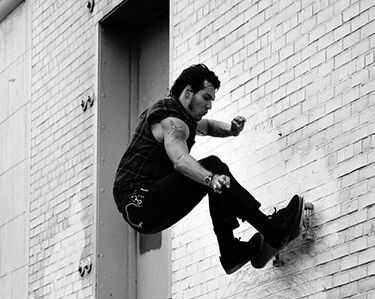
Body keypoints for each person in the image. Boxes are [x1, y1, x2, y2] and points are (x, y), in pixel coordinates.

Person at [113, 63, 303, 274]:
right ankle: (270, 230)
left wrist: (231, 130)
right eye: (206, 97)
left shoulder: (185, 119)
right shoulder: (171, 121)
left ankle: (232, 253)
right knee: (212, 169)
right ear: (188, 92)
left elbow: (209, 126)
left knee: (214, 177)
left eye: (211, 100)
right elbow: (181, 160)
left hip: (142, 209)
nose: (209, 105)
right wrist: (210, 178)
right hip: (140, 201)